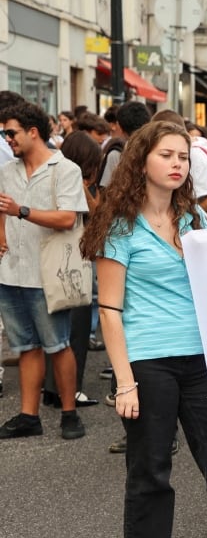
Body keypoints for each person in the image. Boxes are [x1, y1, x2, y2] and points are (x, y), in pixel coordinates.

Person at [79, 120, 207, 538]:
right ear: (141, 160)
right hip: (149, 360)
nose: (177, 164)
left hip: (201, 357)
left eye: (183, 157)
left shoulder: (193, 219)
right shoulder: (120, 226)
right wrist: (124, 382)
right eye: (166, 155)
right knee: (150, 466)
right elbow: (109, 310)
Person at [0, 102, 89, 440]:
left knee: (58, 344)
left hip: (48, 273)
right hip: (11, 272)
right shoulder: (7, 171)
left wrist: (21, 211)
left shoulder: (64, 169)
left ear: (32, 131)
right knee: (26, 346)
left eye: (11, 132)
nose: (7, 139)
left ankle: (69, 413)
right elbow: (2, 208)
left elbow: (67, 218)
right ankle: (29, 416)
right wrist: (1, 233)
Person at [42, 132, 104, 409]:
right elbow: (97, 217)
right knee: (76, 329)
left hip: (52, 260)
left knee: (54, 329)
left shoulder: (50, 174)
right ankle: (71, 390)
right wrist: (84, 186)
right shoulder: (73, 180)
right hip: (74, 261)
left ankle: (51, 388)